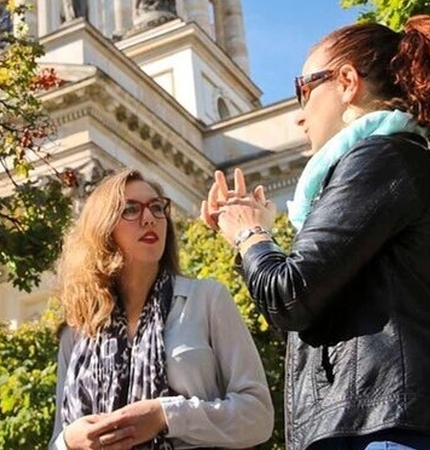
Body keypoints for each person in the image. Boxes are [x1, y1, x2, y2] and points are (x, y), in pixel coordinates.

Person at [200, 15, 430, 450]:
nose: (300, 116)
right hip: (384, 423)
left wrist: (251, 238)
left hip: (389, 430)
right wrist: (258, 237)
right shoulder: (388, 162)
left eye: (304, 90)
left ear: (346, 81)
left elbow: (290, 296)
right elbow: (312, 324)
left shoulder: (379, 159)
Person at [50, 169, 274, 450]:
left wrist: (166, 415)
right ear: (103, 229)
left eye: (157, 207)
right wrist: (68, 442)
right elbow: (57, 437)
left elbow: (258, 416)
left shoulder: (206, 298)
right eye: (130, 209)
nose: (149, 218)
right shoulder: (78, 330)